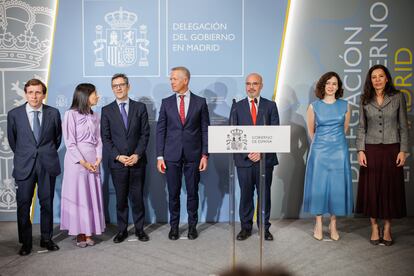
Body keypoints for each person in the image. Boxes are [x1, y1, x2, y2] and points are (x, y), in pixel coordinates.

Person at [7, 79, 62, 256]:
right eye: (30, 92)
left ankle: (46, 239)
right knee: (23, 205)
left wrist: (44, 153)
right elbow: (13, 141)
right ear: (26, 94)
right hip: (25, 165)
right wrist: (27, 154)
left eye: (38, 92)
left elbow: (57, 138)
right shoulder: (14, 114)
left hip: (47, 164)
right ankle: (26, 242)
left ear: (44, 94)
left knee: (46, 203)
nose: (34, 96)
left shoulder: (53, 113)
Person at [356, 64, 408, 246]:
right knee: (372, 189)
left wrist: (403, 150)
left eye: (380, 76)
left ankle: (387, 228)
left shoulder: (398, 97)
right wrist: (360, 150)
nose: (377, 79)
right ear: (370, 80)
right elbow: (361, 128)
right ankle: (374, 227)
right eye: (373, 77)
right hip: (371, 149)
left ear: (387, 78)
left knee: (389, 189)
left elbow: (403, 126)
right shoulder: (364, 100)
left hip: (392, 148)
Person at [156, 66, 210, 240]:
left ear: (185, 80)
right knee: (173, 193)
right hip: (171, 156)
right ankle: (174, 227)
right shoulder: (166, 102)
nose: (171, 82)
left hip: (194, 156)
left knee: (193, 193)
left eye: (174, 79)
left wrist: (205, 155)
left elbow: (205, 131)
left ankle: (192, 226)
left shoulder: (200, 102)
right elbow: (160, 131)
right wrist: (159, 156)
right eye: (170, 79)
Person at [302, 72, 353, 241]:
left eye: (334, 84)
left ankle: (333, 224)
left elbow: (344, 128)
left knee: (337, 187)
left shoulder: (345, 105)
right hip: (319, 152)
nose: (331, 87)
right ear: (322, 86)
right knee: (319, 186)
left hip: (339, 151)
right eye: (328, 83)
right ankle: (318, 223)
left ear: (338, 87)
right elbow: (311, 131)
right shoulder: (313, 106)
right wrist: (321, 145)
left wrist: (335, 143)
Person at [101, 73, 150, 243]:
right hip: (118, 163)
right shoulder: (106, 110)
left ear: (128, 86)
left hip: (137, 162)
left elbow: (145, 134)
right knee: (121, 199)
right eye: (115, 86)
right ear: (112, 88)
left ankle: (139, 229)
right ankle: (122, 231)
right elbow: (105, 138)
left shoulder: (140, 108)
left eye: (122, 85)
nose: (119, 88)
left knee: (137, 198)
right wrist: (118, 156)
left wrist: (137, 154)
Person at [230, 73, 279, 241]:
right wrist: (247, 153)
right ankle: (245, 228)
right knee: (245, 195)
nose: (251, 87)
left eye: (255, 84)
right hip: (244, 161)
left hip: (265, 161)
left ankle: (264, 228)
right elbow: (233, 135)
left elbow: (275, 134)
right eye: (248, 84)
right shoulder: (237, 107)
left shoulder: (271, 106)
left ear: (261, 85)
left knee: (264, 195)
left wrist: (261, 153)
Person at [60, 83, 105, 247]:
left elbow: (99, 139)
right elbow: (70, 143)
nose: (97, 96)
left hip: (93, 161)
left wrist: (99, 158)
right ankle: (79, 232)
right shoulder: (70, 115)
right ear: (85, 96)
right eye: (95, 93)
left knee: (90, 195)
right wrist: (84, 162)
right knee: (78, 195)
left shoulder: (96, 115)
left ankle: (88, 231)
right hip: (76, 161)